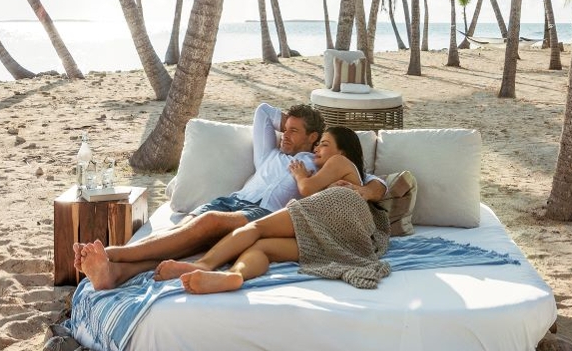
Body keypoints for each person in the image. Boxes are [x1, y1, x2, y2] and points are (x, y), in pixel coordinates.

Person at [76, 104, 385, 290]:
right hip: (231, 201)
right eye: (285, 129)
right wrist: (289, 122)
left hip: (259, 213)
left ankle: (114, 252)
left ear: (314, 137)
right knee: (183, 238)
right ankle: (114, 274)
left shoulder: (318, 163)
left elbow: (369, 181)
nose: (285, 136)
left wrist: (364, 190)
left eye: (294, 131)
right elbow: (263, 112)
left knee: (205, 226)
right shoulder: (271, 155)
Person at [152, 126, 391, 294]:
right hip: (338, 241)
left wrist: (299, 175)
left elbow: (307, 190)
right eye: (317, 145)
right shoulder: (342, 174)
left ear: (343, 152)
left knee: (255, 228)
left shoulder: (338, 163)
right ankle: (234, 275)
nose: (317, 149)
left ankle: (203, 265)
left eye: (324, 144)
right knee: (262, 248)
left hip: (337, 222)